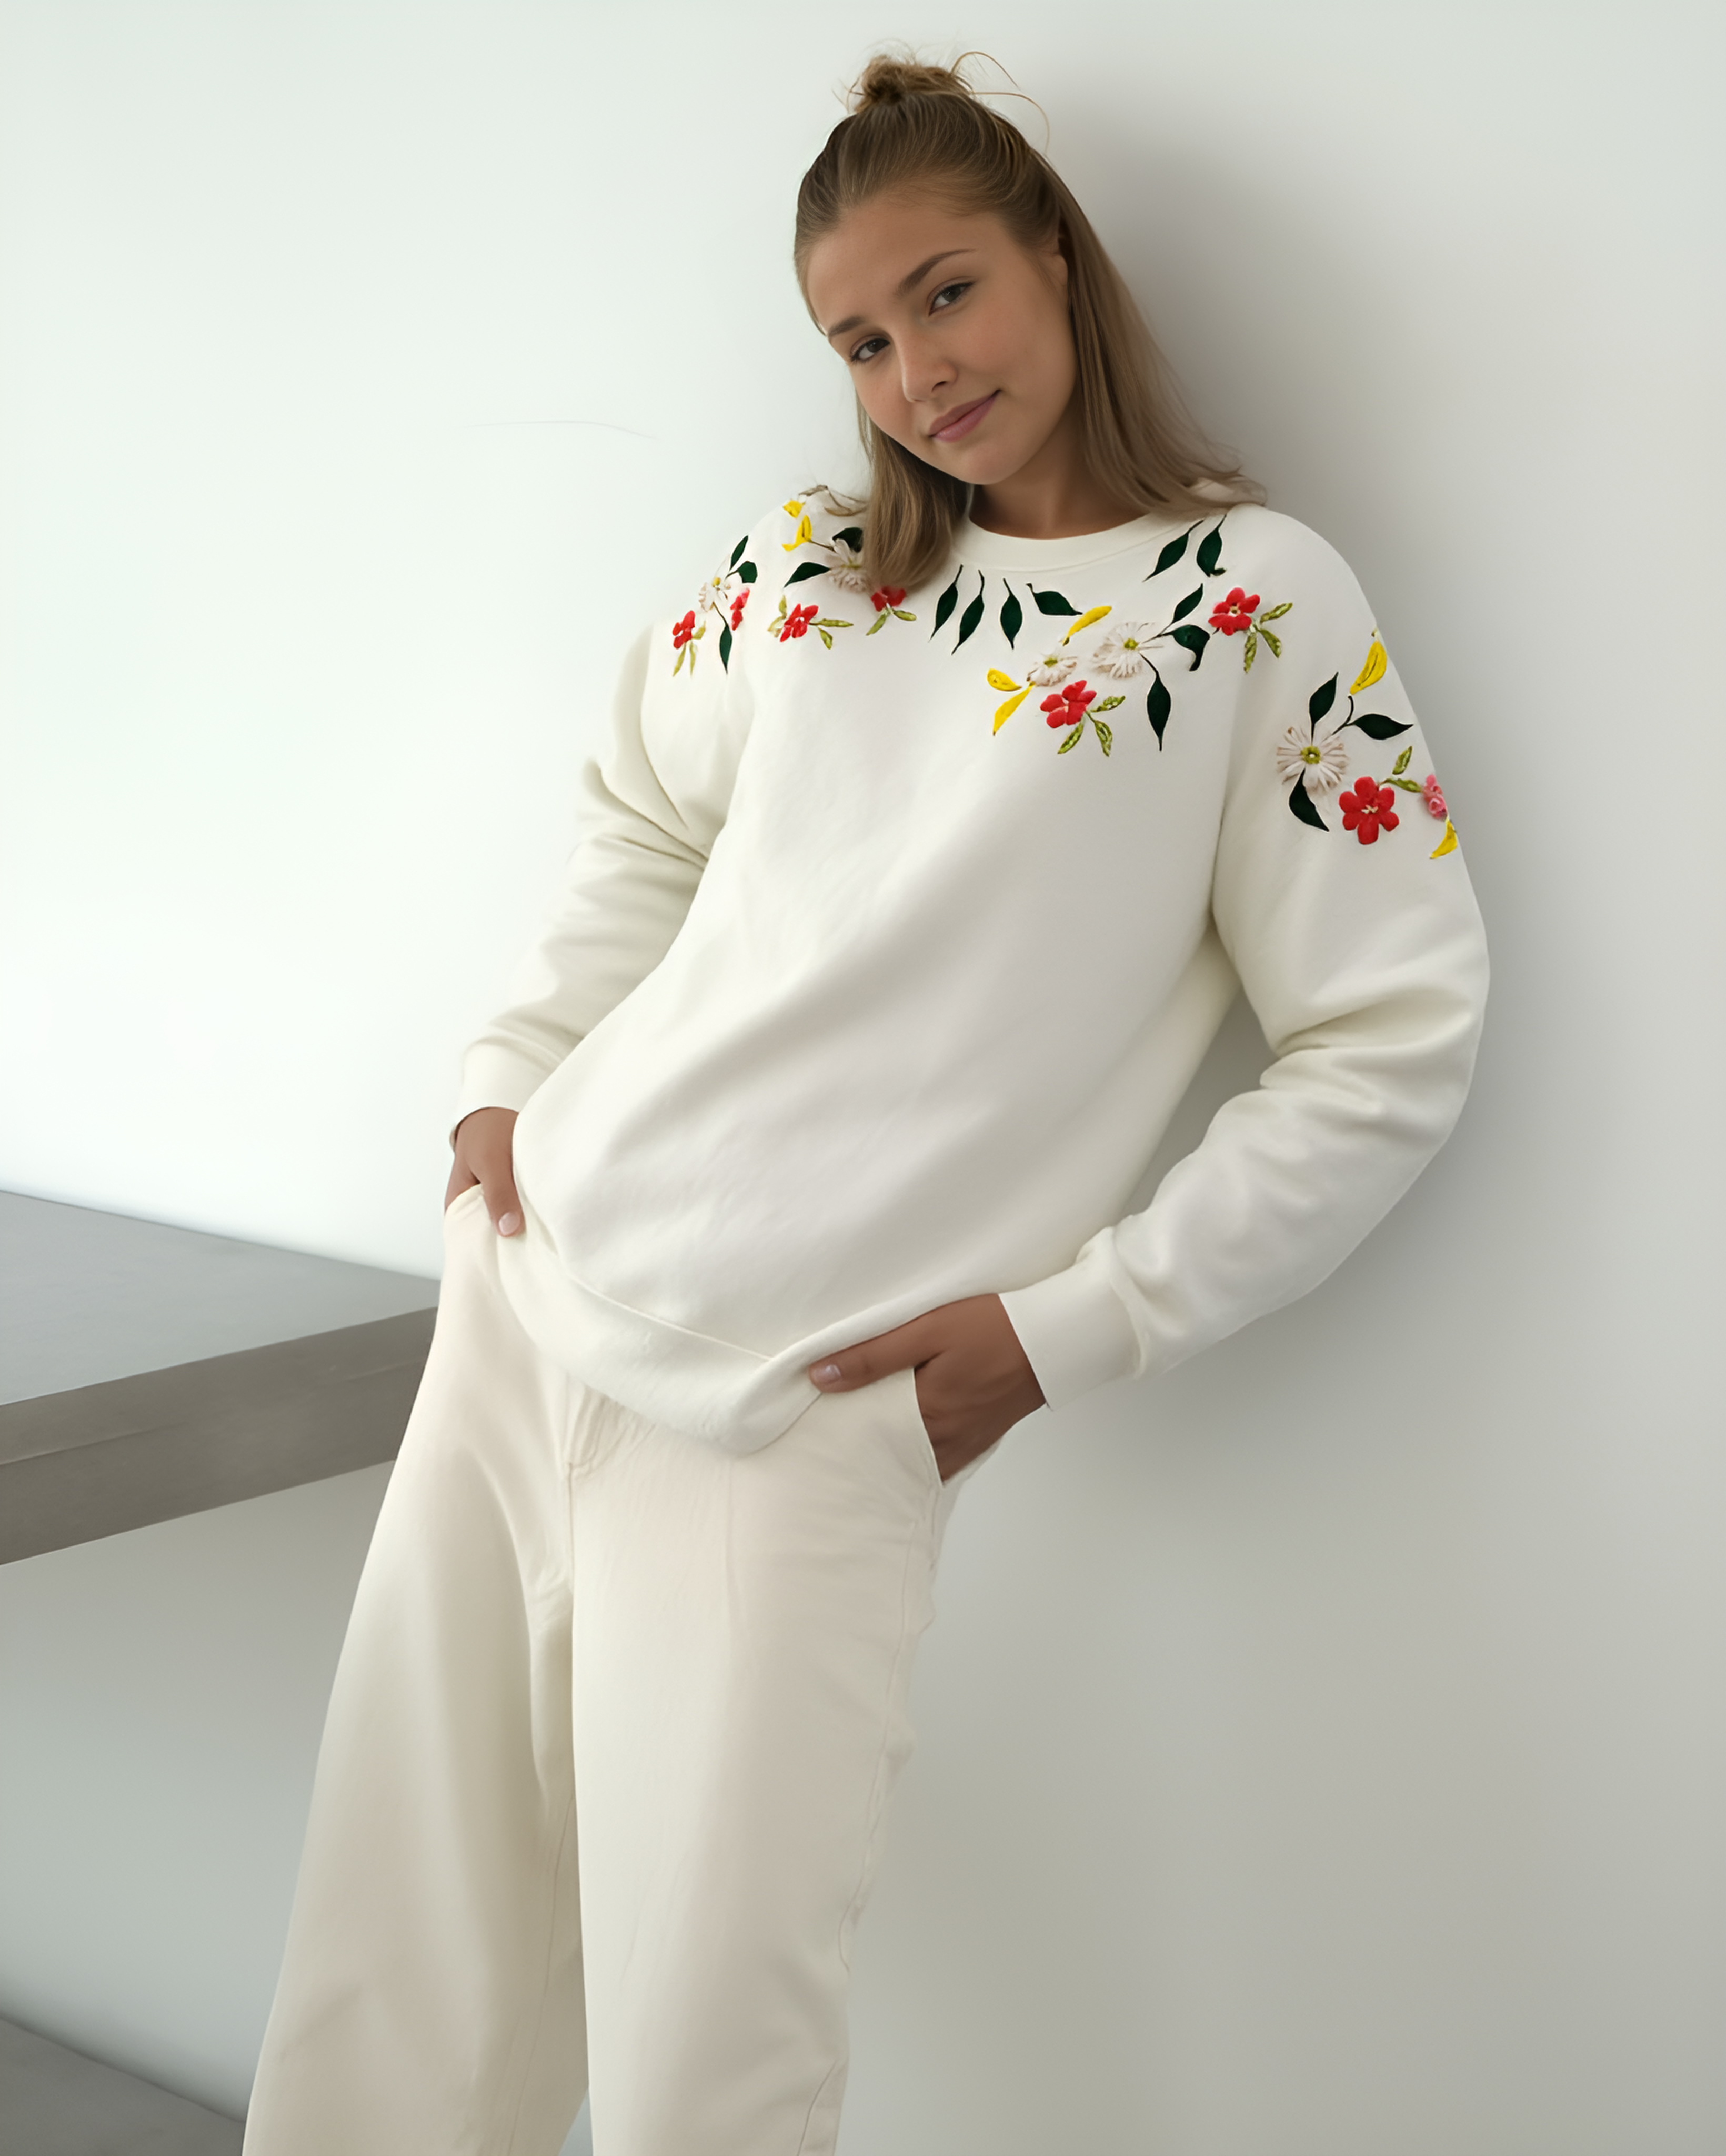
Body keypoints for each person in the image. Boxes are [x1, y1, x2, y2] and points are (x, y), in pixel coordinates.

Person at [243, 51, 1488, 2156]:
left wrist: (1063, 1326)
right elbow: (638, 815)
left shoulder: (1252, 603)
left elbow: (1393, 1039)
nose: (915, 365)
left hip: (808, 1412)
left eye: (947, 293)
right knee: (404, 1946)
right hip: (530, 1298)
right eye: (860, 336)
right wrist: (503, 1092)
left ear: (1058, 270)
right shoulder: (808, 571)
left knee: (708, 2038)